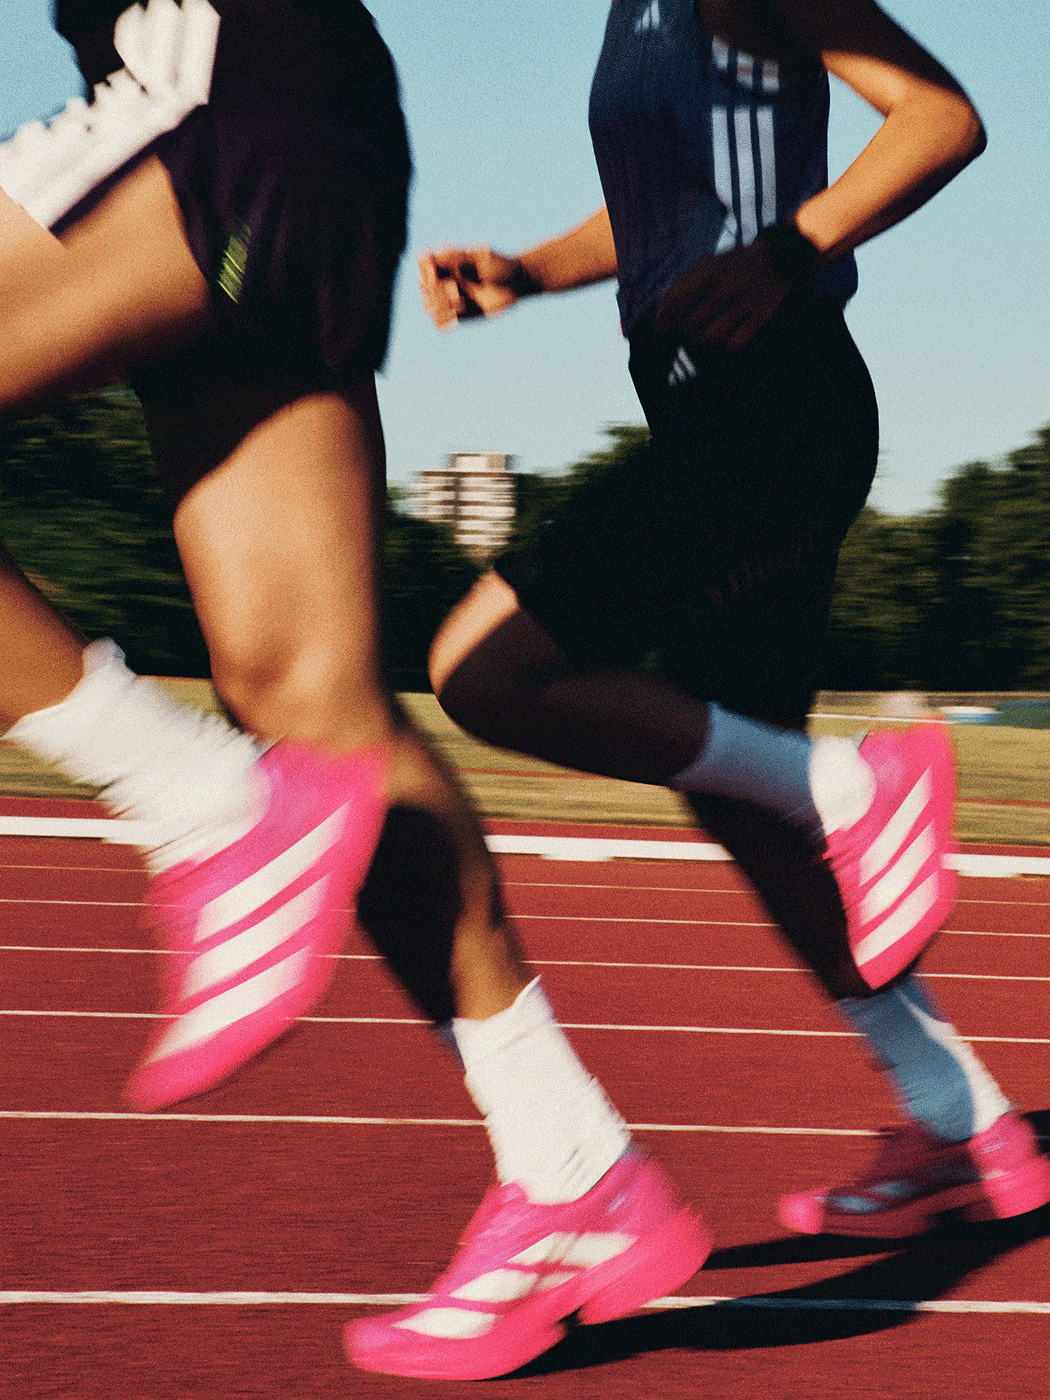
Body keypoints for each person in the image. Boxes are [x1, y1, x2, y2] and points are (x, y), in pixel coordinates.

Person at [1, 0, 709, 1383]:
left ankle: (195, 804)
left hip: (212, 101)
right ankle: (569, 1164)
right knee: (308, 706)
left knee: (275, 755)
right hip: (298, 130)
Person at [421, 0, 1050, 1294]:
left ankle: (853, 789)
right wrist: (531, 272)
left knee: (481, 667)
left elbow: (939, 116)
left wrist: (787, 249)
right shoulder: (632, 14)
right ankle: (960, 1119)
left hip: (773, 406)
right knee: (731, 787)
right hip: (717, 409)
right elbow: (660, 213)